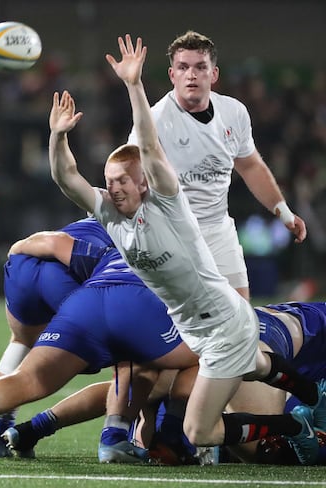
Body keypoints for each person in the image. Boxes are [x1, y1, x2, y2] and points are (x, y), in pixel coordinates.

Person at [45, 34, 323, 464]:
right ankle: (300, 396)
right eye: (110, 182)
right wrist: (57, 137)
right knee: (245, 363)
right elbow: (68, 180)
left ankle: (193, 431)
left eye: (125, 180)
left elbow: (157, 153)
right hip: (199, 322)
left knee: (207, 414)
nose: (115, 188)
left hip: (219, 313)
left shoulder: (172, 206)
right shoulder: (113, 215)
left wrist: (133, 85)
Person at [0, 225, 201, 465]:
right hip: (120, 298)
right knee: (184, 358)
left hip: (68, 293)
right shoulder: (171, 245)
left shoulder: (108, 245)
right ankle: (129, 437)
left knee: (27, 374)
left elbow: (56, 240)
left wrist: (15, 249)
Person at [5, 301, 326, 466]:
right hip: (260, 337)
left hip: (239, 326)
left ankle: (35, 427)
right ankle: (284, 428)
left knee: (154, 387)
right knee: (259, 451)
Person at [127, 30, 306, 300]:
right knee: (174, 328)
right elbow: (127, 175)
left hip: (218, 229)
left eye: (200, 67)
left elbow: (251, 166)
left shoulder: (234, 113)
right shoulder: (154, 120)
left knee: (241, 319)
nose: (191, 74)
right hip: (169, 234)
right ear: (172, 75)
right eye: (183, 67)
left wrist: (283, 211)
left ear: (214, 74)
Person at [0, 217, 113, 458]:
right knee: (130, 360)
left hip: (25, 265)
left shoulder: (92, 219)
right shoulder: (136, 231)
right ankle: (117, 436)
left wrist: (17, 248)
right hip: (64, 274)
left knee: (21, 341)